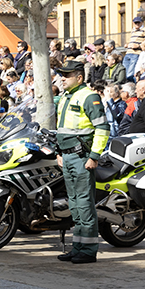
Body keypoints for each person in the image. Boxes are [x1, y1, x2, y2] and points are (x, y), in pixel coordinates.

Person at [53, 60, 109, 264]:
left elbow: (103, 128)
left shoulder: (89, 96)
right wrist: (59, 151)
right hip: (68, 157)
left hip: (82, 157)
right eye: (62, 75)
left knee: (84, 204)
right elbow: (62, 129)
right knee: (75, 204)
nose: (62, 78)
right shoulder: (66, 97)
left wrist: (94, 156)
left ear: (79, 77)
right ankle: (78, 247)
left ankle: (88, 250)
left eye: (66, 76)